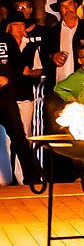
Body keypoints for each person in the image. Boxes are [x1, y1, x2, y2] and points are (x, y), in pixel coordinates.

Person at [0, 26, 41, 185]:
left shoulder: (6, 38)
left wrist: (7, 78)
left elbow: (18, 65)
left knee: (19, 137)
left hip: (5, 95)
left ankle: (33, 178)